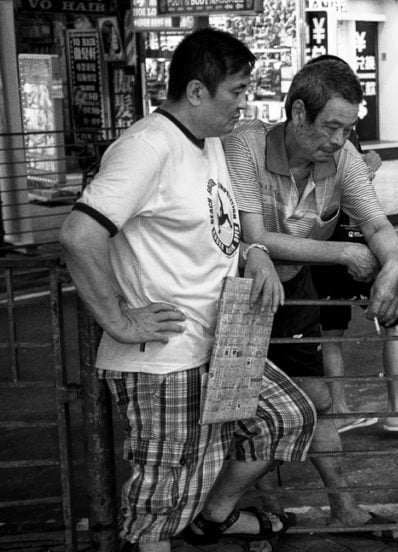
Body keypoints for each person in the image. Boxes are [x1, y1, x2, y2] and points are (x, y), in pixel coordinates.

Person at [59, 28, 316, 552]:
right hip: (165, 358)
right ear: (197, 92)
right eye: (236, 92)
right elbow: (79, 234)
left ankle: (214, 519)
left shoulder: (211, 143)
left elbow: (223, 229)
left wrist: (256, 253)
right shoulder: (147, 147)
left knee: (284, 418)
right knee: (162, 492)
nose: (244, 104)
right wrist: (118, 319)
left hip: (223, 343)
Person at [223, 58, 398, 541]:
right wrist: (344, 252)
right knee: (241, 407)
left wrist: (391, 267)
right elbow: (256, 236)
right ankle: (254, 514)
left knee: (319, 399)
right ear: (299, 112)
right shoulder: (246, 146)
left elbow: (377, 224)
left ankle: (344, 506)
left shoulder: (342, 157)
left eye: (348, 129)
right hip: (239, 292)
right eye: (331, 127)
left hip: (296, 288)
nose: (339, 140)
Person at [305, 54, 398, 436]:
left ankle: (341, 410)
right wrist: (365, 170)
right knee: (393, 317)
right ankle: (397, 407)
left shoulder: (317, 129)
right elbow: (345, 193)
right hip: (345, 242)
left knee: (330, 329)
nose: (340, 134)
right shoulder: (338, 138)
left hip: (322, 246)